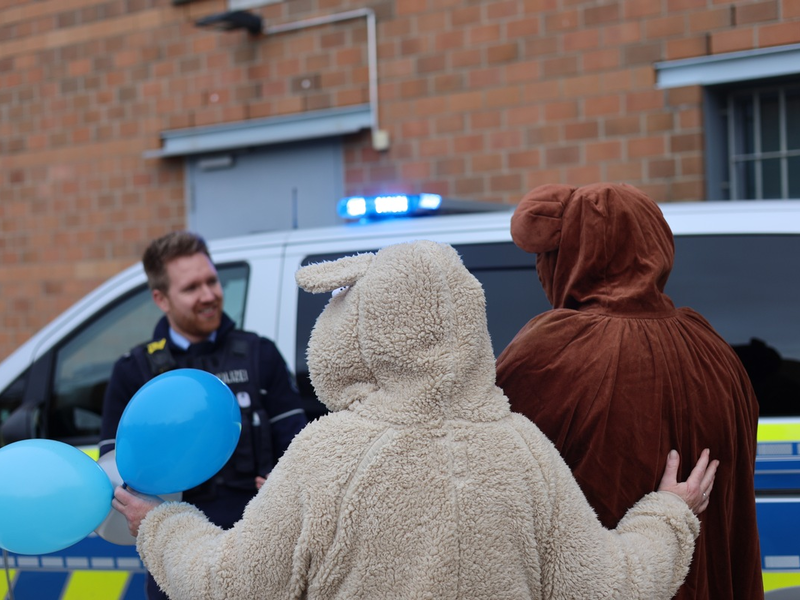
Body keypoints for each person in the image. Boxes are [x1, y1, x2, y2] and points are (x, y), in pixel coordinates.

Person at [113, 240, 717, 600]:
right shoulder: (524, 449)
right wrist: (668, 515)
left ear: (359, 335)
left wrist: (161, 526)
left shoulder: (329, 454)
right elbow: (609, 586)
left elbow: (229, 585)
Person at [495, 183, 762, 600]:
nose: (542, 270)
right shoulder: (714, 349)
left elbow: (491, 480)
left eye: (548, 257)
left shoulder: (550, 349)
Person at [99, 230, 308, 600]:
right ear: (161, 299)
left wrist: (284, 481)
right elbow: (116, 477)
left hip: (261, 562)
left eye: (212, 281)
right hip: (177, 569)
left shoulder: (260, 355)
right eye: (192, 287)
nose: (209, 295)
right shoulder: (133, 372)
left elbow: (301, 449)